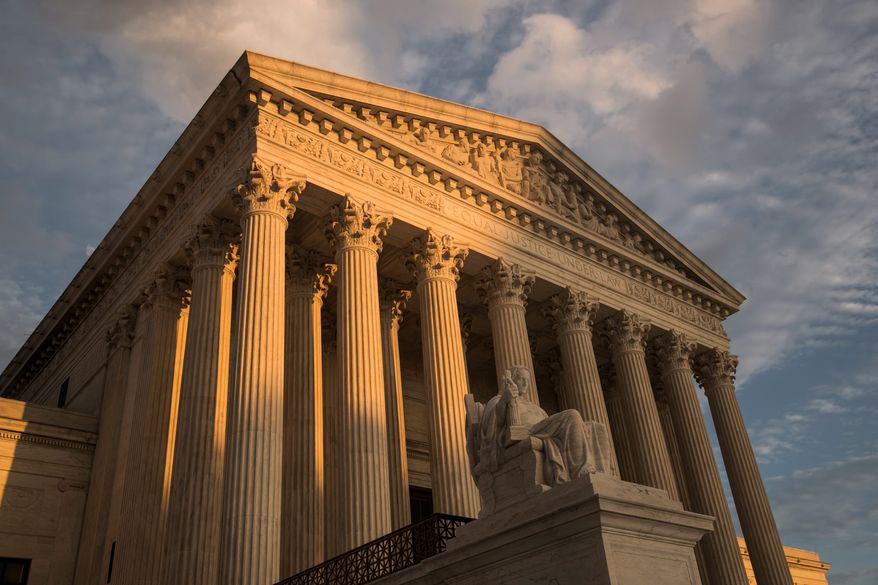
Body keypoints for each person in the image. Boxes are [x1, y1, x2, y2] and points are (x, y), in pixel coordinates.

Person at [473, 365, 613, 487]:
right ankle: (581, 470)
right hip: (526, 432)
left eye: (527, 380)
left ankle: (600, 472)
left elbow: (549, 422)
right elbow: (492, 427)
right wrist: (505, 400)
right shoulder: (498, 400)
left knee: (596, 428)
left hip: (544, 431)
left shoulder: (534, 407)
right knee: (572, 415)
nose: (526, 383)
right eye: (522, 379)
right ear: (512, 380)